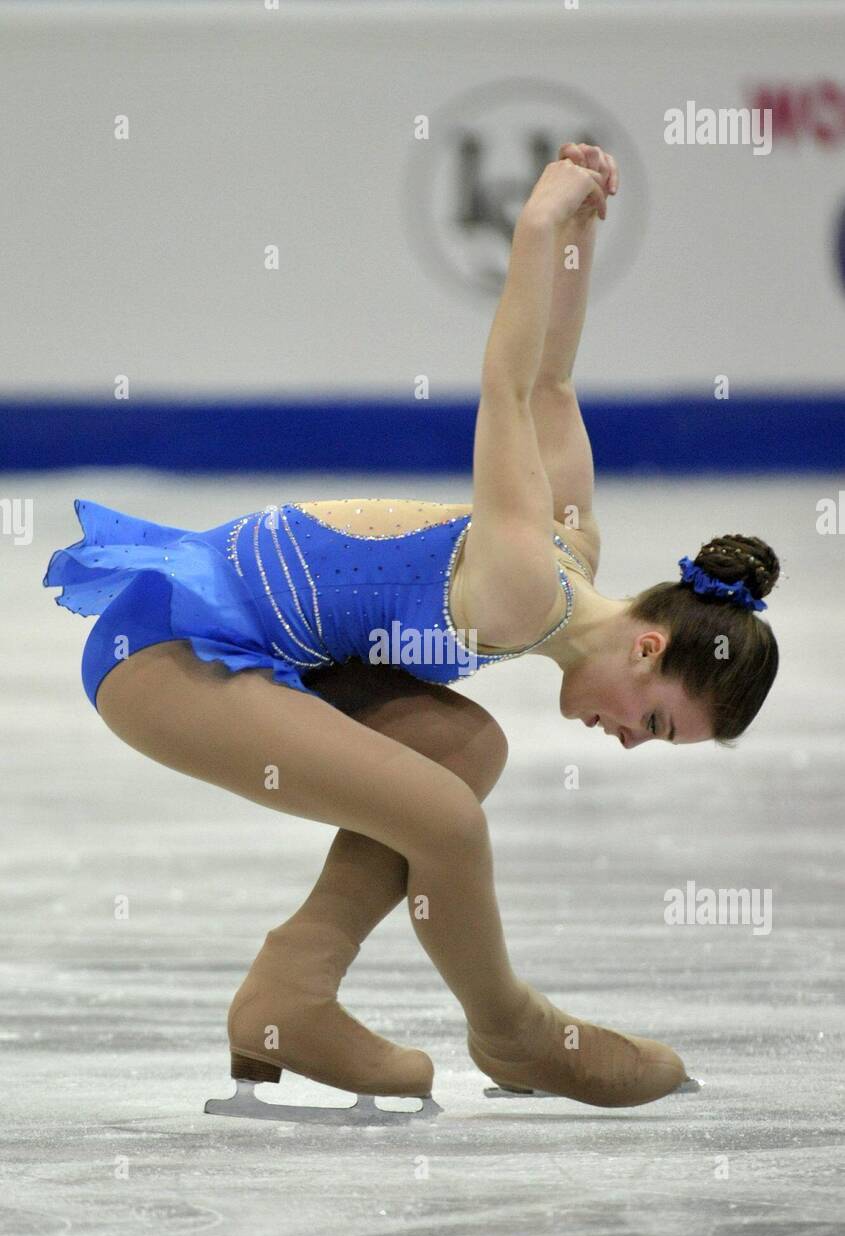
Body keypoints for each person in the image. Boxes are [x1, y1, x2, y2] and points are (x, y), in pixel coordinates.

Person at [43, 144, 778, 1118]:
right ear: (647, 651)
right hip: (169, 643)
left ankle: (289, 990)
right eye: (654, 723)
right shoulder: (523, 581)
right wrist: (532, 224)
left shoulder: (570, 547)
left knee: (462, 746)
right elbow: (508, 386)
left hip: (247, 652)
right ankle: (513, 1033)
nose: (629, 740)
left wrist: (575, 239)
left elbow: (553, 387)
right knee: (444, 819)